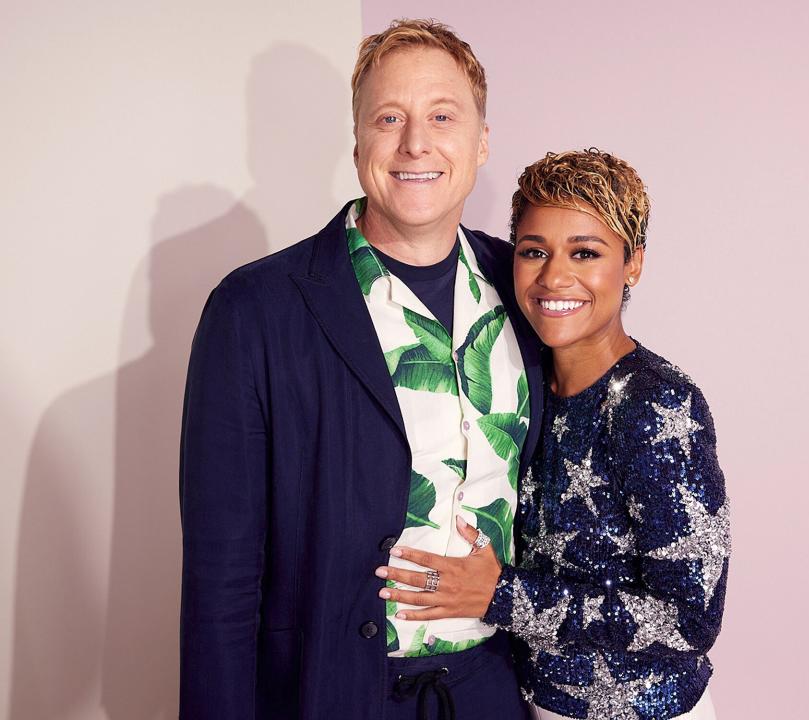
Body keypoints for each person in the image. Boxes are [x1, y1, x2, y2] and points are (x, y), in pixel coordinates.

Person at [178, 20, 544, 720]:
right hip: (334, 693)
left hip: (496, 692)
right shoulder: (255, 310)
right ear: (357, 145)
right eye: (389, 118)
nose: (416, 142)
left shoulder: (526, 285)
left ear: (481, 142)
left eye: (442, 116)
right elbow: (219, 585)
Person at [374, 149, 730, 719]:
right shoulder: (524, 380)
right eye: (534, 251)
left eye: (585, 252)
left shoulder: (657, 403)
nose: (554, 277)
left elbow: (690, 617)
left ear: (633, 264)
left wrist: (501, 595)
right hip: (536, 702)